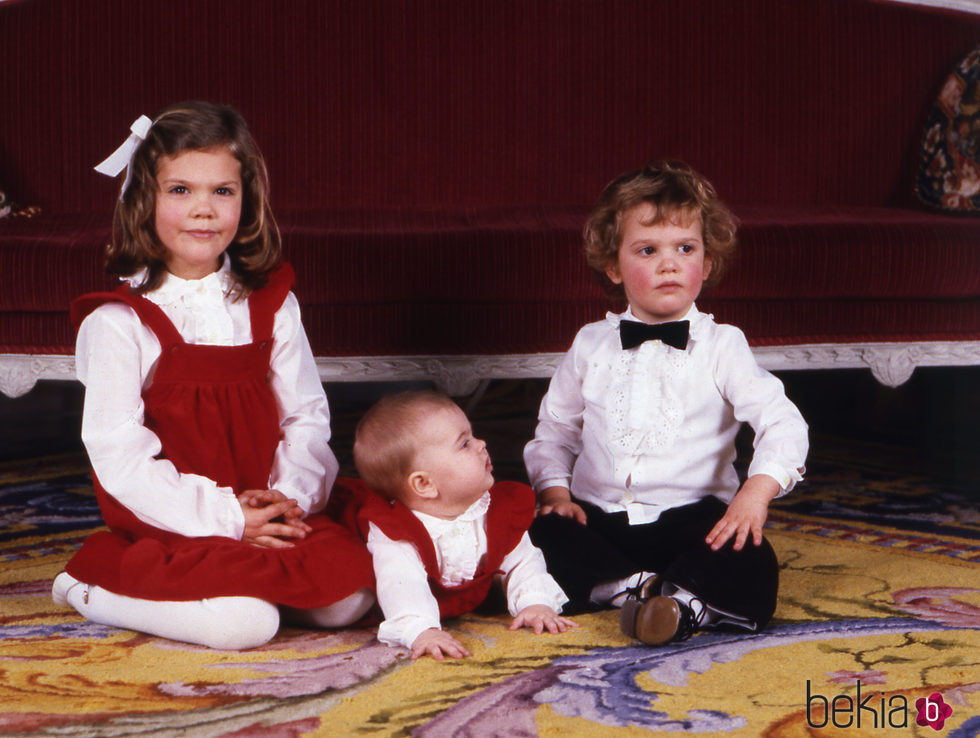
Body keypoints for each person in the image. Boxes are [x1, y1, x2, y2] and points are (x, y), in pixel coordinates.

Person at [51, 101, 375, 650]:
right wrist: (225, 516)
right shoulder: (118, 323)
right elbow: (119, 457)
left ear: (245, 201)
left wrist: (283, 501)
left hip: (264, 506)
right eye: (181, 191)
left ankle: (256, 572)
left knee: (349, 599)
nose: (204, 210)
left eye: (222, 191)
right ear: (142, 200)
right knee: (245, 625)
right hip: (179, 518)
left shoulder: (273, 304)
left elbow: (305, 415)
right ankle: (88, 588)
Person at [524, 160, 808, 646]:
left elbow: (782, 422)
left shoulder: (724, 345)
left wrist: (754, 495)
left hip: (691, 519)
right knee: (540, 536)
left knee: (749, 556)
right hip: (602, 516)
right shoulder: (590, 344)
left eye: (685, 248)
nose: (669, 263)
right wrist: (556, 495)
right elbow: (555, 430)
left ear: (708, 261)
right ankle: (643, 591)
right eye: (647, 250)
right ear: (613, 266)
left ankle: (673, 603)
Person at [349, 390, 577, 660]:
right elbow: (401, 583)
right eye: (464, 444)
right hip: (400, 596)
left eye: (473, 435)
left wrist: (535, 602)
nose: (481, 444)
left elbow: (522, 560)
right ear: (424, 484)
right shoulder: (398, 531)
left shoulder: (495, 510)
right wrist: (422, 630)